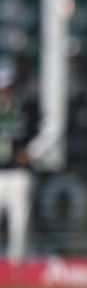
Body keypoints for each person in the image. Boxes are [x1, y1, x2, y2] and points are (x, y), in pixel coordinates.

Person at [0, 60, 39, 262]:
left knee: (18, 223)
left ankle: (16, 267)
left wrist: (32, 151)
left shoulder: (27, 107)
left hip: (19, 173)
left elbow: (49, 130)